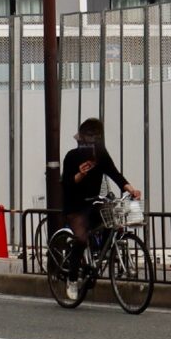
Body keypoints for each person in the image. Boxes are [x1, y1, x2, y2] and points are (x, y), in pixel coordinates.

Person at [58, 116, 138, 271]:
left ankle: (102, 253)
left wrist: (131, 190)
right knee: (81, 239)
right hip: (74, 206)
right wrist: (80, 175)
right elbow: (66, 182)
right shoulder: (72, 156)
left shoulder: (102, 156)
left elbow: (116, 175)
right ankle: (72, 278)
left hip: (92, 203)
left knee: (111, 216)